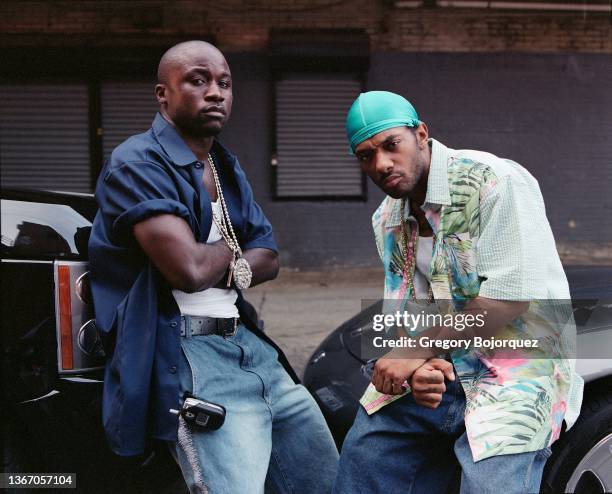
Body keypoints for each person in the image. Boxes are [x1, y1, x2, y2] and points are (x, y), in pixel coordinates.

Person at [89, 40, 338, 494]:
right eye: (198, 80)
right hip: (188, 355)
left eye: (224, 82)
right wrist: (237, 249)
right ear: (162, 94)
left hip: (250, 346)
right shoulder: (138, 162)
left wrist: (225, 255)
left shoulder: (223, 164)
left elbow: (272, 256)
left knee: (321, 479)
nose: (216, 93)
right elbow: (187, 270)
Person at [333, 91, 583, 494]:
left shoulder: (495, 182)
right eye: (365, 155)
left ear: (421, 134)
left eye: (390, 145)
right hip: (446, 363)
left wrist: (413, 353)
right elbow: (412, 313)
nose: (381, 164)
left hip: (516, 370)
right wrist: (424, 367)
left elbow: (508, 301)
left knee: (489, 485)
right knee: (364, 456)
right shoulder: (387, 218)